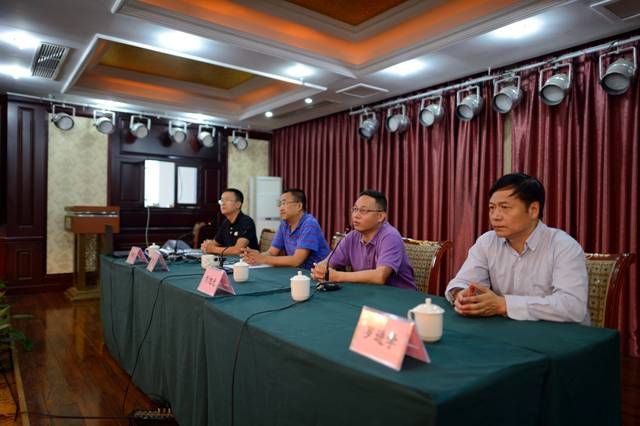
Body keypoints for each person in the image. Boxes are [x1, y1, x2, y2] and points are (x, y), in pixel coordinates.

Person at [445, 173, 589, 324]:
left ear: (533, 210)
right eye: (492, 208)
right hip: (508, 329)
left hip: (560, 333)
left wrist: (504, 305)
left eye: (504, 207)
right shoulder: (487, 242)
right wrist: (462, 295)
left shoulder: (564, 246)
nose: (495, 216)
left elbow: (573, 307)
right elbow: (460, 283)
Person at [311, 189, 416, 290]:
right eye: (355, 209)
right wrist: (320, 270)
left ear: (380, 216)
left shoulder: (390, 236)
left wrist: (337, 276)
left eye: (363, 210)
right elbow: (327, 264)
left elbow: (380, 276)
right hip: (368, 293)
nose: (356, 215)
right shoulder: (352, 237)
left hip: (400, 296)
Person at [242, 188, 329, 269]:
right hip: (297, 272)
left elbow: (296, 260)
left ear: (299, 206)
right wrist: (254, 256)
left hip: (316, 273)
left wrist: (263, 259)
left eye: (284, 203)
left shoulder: (309, 223)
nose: (281, 208)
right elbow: (272, 252)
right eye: (280, 204)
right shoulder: (284, 224)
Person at [201, 188, 259, 256]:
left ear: (238, 204)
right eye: (221, 201)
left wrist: (213, 249)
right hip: (229, 261)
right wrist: (206, 245)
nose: (223, 203)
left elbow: (238, 250)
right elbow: (214, 243)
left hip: (247, 261)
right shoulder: (226, 222)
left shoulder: (247, 222)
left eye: (227, 200)